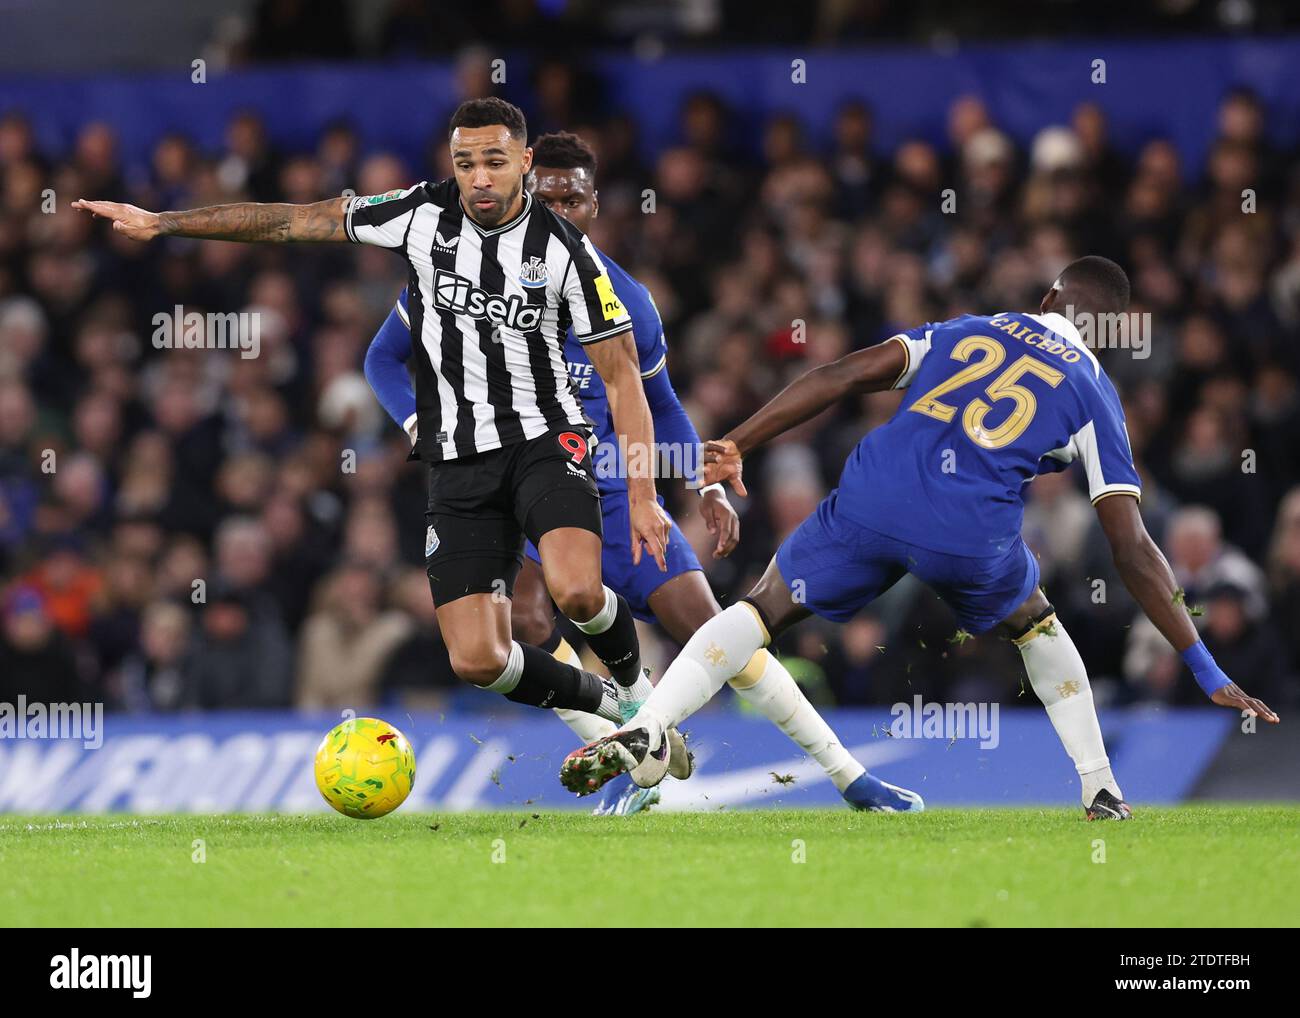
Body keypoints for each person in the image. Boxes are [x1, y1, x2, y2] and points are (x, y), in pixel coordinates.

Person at [562, 255, 1280, 819]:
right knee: (1035, 624)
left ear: (1051, 300)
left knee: (758, 612)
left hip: (875, 494)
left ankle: (651, 723)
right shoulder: (1097, 393)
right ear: (1107, 329)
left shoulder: (970, 328)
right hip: (969, 532)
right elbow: (1133, 548)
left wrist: (740, 440)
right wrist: (1204, 665)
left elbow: (843, 374)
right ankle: (1100, 790)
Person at [73, 98, 677, 751]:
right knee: (478, 661)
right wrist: (164, 223)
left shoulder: (566, 254)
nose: (478, 178)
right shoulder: (419, 214)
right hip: (457, 463)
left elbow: (623, 381)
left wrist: (643, 496)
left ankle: (637, 688)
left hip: (545, 442)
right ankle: (611, 703)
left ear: (525, 164)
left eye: (495, 162)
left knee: (579, 591)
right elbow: (291, 224)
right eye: (466, 162)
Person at [366, 131, 918, 814]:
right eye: (548, 196)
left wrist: (704, 484)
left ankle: (849, 777)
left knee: (720, 636)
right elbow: (381, 360)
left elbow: (662, 406)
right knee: (525, 626)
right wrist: (419, 425)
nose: (561, 209)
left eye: (575, 198)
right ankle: (629, 752)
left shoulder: (623, 298)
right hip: (528, 492)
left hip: (620, 499)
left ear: (597, 206)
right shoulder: (463, 273)